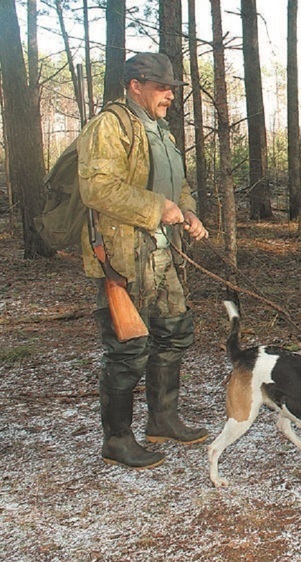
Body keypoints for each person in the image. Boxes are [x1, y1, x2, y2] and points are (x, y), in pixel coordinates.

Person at [78, 52, 209, 469]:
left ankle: (163, 418)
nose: (170, 95)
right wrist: (157, 208)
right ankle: (117, 439)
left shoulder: (160, 130)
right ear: (135, 85)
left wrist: (187, 212)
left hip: (161, 250)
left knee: (173, 330)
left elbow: (178, 184)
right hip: (123, 254)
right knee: (128, 347)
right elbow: (98, 189)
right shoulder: (110, 126)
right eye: (162, 87)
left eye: (171, 88)